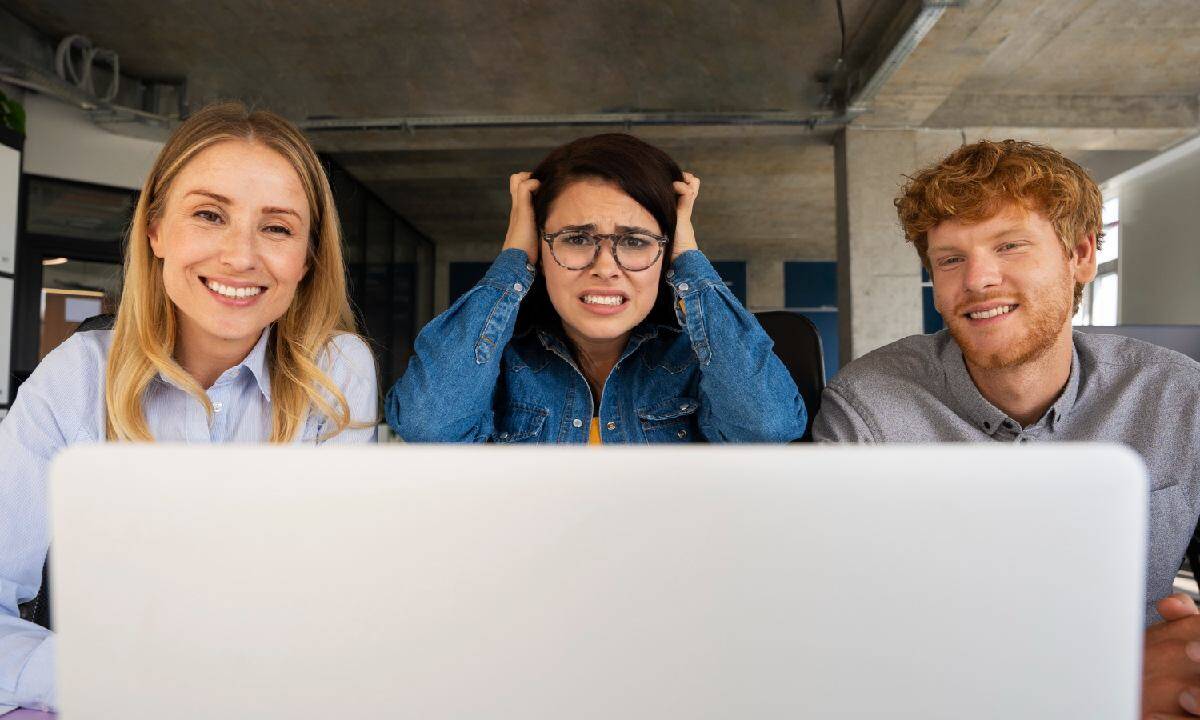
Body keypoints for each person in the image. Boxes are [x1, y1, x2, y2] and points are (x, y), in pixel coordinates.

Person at [0, 101, 378, 712]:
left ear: (307, 257)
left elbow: (329, 601)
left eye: (277, 227)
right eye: (209, 215)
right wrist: (118, 679)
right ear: (155, 230)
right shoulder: (77, 377)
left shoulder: (335, 373)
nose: (240, 256)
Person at [811, 139, 1200, 717]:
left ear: (1082, 256)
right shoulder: (869, 406)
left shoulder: (1178, 395)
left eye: (1010, 246)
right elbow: (837, 623)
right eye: (949, 259)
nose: (978, 279)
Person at [387, 133, 805, 443]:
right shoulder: (496, 364)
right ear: (540, 247)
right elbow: (428, 424)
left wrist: (689, 262)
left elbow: (766, 428)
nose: (605, 268)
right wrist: (513, 260)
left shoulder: (701, 364)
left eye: (636, 241)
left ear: (667, 252)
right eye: (577, 238)